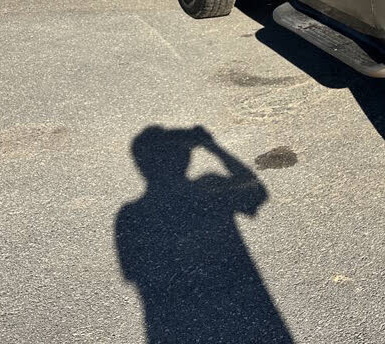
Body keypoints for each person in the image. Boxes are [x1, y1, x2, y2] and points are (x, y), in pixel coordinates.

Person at [115, 125, 292, 344]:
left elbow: (134, 273)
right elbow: (255, 190)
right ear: (185, 159)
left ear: (142, 166)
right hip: (239, 311)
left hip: (174, 325)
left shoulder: (130, 216)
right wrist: (213, 147)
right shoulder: (210, 188)